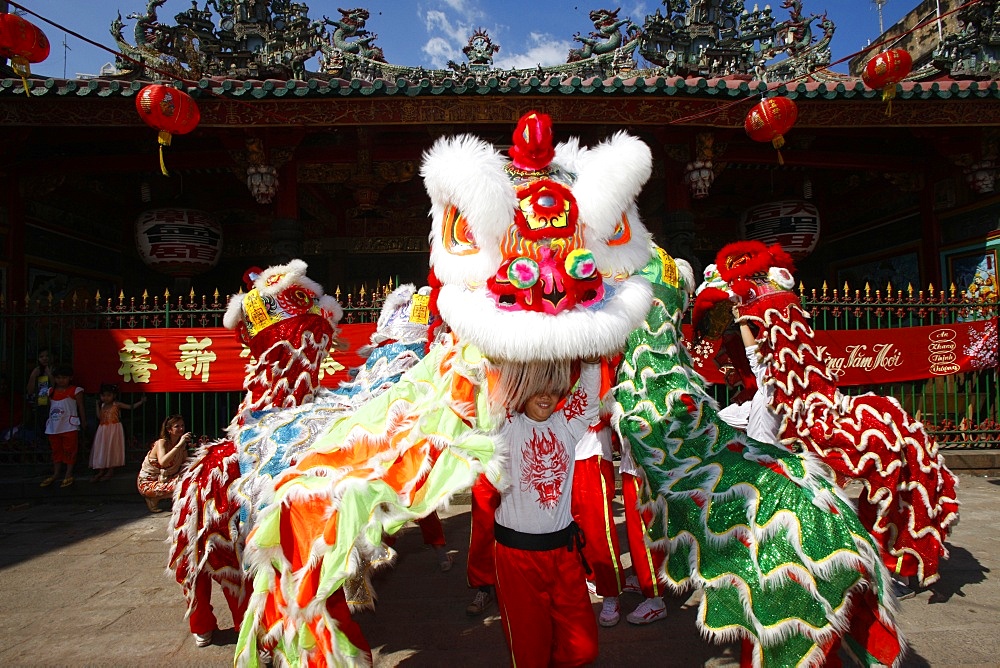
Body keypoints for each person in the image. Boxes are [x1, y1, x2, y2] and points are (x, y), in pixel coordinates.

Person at [491, 358, 601, 667]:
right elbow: (484, 390)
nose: (545, 397)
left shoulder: (567, 423)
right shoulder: (504, 425)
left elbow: (589, 395)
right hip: (517, 559)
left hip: (564, 555)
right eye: (537, 388)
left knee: (582, 649)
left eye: (553, 390)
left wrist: (592, 358)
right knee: (530, 653)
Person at [570, 358, 626, 627]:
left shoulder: (596, 343)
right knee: (568, 527)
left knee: (598, 528)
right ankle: (585, 576)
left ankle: (610, 592)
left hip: (591, 449)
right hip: (560, 451)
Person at [618, 434, 668, 625]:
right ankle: (644, 580)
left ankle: (655, 597)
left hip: (645, 468)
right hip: (634, 467)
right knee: (637, 532)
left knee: (646, 533)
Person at [38, 365, 86, 488]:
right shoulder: (50, 391)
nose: (61, 380)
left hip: (70, 426)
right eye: (58, 378)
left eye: (64, 378)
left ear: (70, 378)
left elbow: (81, 407)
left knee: (70, 451)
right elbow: (44, 403)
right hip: (54, 427)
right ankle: (56, 473)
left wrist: (83, 421)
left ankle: (68, 473)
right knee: (56, 451)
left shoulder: (76, 390)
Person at [90, 384, 146, 482]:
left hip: (114, 429)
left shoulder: (116, 404)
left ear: (113, 395)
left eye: (108, 395)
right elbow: (99, 417)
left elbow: (130, 407)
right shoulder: (102, 405)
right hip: (103, 429)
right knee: (102, 448)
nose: (106, 398)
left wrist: (141, 402)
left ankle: (110, 470)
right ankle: (101, 470)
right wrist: (96, 405)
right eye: (103, 396)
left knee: (112, 448)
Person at [137, 415, 191, 514]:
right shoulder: (161, 443)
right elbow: (163, 462)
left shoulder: (182, 445)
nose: (181, 429)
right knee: (181, 485)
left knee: (190, 481)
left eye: (182, 425)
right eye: (177, 426)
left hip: (166, 480)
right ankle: (153, 499)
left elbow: (185, 464)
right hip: (148, 483)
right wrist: (179, 445)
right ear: (169, 430)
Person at [25, 349, 54, 446]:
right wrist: (33, 375)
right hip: (41, 404)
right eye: (41, 356)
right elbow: (29, 390)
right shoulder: (37, 371)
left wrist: (49, 374)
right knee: (42, 429)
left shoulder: (55, 370)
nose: (44, 358)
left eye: (47, 356)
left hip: (55, 404)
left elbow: (57, 386)